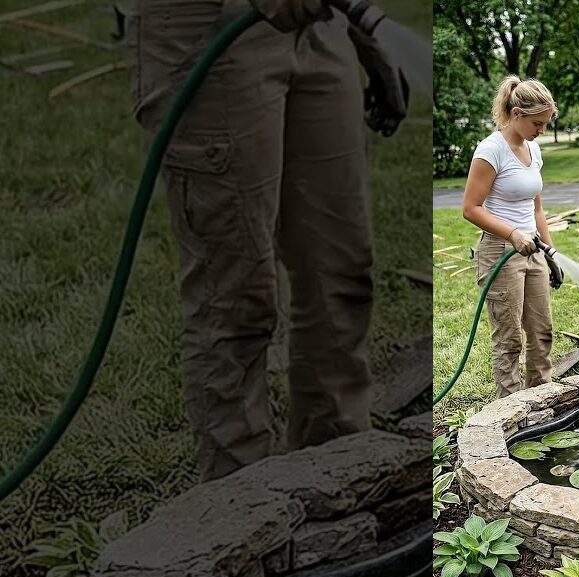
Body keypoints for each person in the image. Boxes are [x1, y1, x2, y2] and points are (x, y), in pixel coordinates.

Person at [126, 0, 408, 480]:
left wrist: (365, 30)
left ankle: (341, 479)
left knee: (338, 274)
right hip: (210, 23)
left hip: (322, 26)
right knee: (233, 295)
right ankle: (243, 512)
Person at [462, 76, 562, 398]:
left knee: (541, 331)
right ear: (516, 113)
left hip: (532, 248)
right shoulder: (491, 150)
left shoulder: (533, 149)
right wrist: (513, 234)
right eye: (537, 123)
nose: (541, 131)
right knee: (509, 339)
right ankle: (510, 409)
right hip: (501, 251)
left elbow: (537, 209)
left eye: (545, 124)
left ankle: (541, 399)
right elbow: (471, 208)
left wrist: (550, 253)